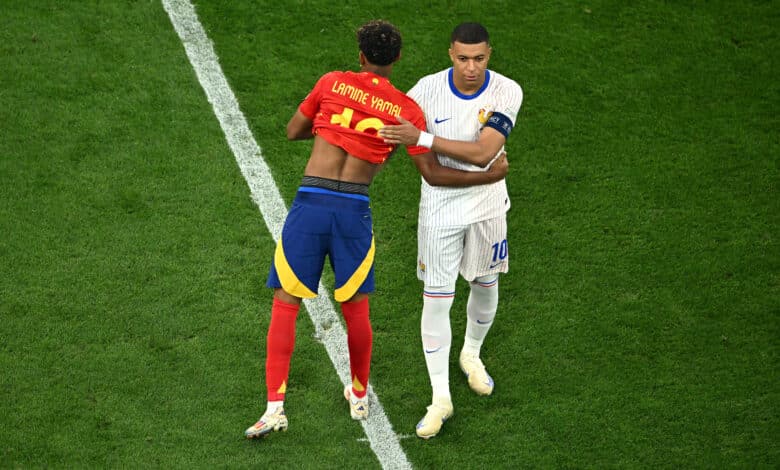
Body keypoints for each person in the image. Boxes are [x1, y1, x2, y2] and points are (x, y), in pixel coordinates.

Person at [244, 19, 510, 439]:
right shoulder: (406, 111)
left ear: (361, 55)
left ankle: (274, 407)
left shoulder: (332, 82)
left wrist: (329, 125)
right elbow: (436, 176)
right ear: (398, 58)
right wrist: (489, 176)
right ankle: (359, 395)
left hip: (311, 204)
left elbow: (293, 131)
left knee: (286, 302)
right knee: (356, 306)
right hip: (353, 210)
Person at [379, 22, 523, 439]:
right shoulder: (423, 92)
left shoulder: (507, 92)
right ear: (450, 54)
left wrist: (423, 136)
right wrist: (488, 174)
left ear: (489, 55)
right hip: (440, 213)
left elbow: (483, 153)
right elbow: (433, 176)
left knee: (485, 283)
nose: (471, 67)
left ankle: (471, 355)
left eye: (479, 58)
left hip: (488, 210)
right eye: (463, 58)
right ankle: (440, 397)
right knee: (437, 300)